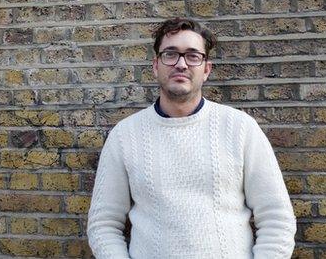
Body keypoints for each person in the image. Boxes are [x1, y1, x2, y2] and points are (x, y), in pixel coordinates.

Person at [87, 17, 296, 258]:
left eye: (193, 56)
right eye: (170, 54)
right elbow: (103, 225)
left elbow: (277, 219)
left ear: (206, 69)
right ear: (156, 65)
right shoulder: (125, 136)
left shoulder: (240, 128)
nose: (181, 64)